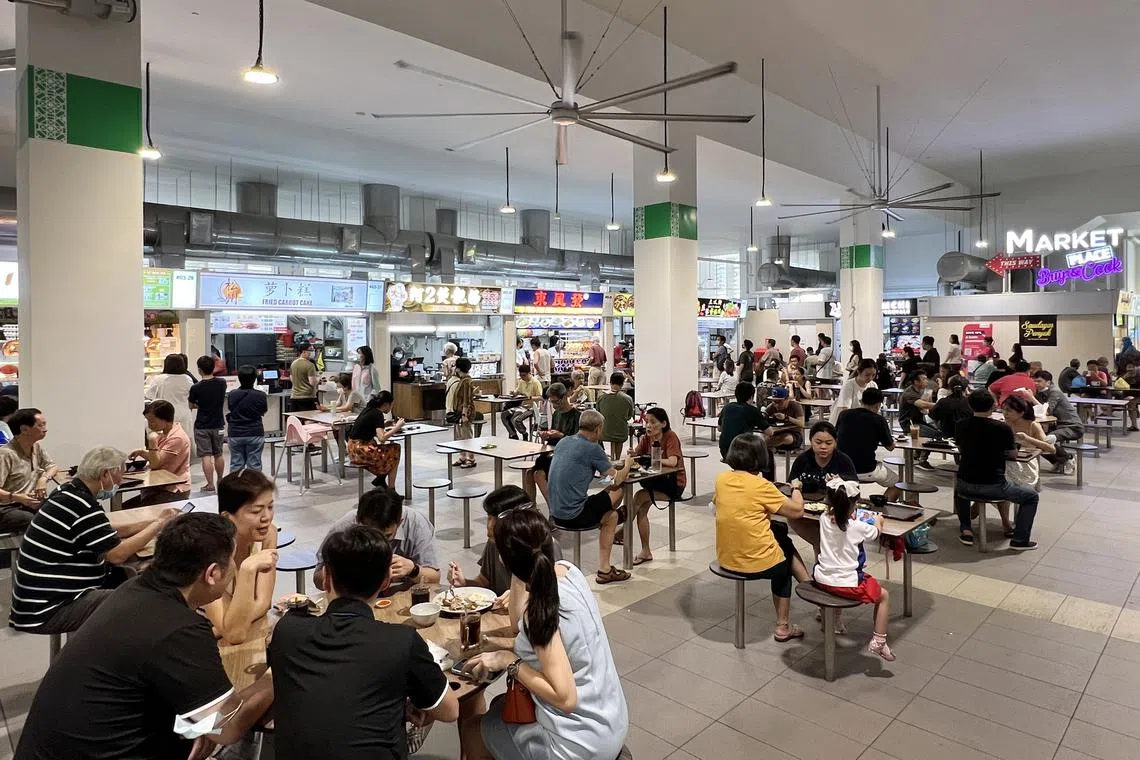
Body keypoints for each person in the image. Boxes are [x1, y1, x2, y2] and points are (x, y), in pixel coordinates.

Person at [16, 514, 275, 760]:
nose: (234, 567)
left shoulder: (132, 590)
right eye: (231, 561)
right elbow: (225, 729)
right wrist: (275, 678)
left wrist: (197, 727)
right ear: (212, 574)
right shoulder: (179, 629)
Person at [272, 526, 459, 760]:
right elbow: (451, 710)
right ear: (386, 581)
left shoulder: (287, 630)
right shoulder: (401, 641)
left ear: (327, 578)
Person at [459, 509, 629, 760]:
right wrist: (519, 573)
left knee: (473, 728)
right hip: (611, 718)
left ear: (504, 560)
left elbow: (565, 697)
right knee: (499, 707)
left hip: (579, 742)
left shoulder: (541, 613)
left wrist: (509, 661)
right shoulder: (569, 572)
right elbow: (517, 625)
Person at [9, 447, 178, 634]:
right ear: (106, 474)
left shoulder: (68, 492)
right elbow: (117, 555)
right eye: (120, 474)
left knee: (131, 576)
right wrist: (159, 523)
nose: (121, 481)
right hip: (50, 607)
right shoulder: (80, 503)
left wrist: (155, 522)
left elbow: (105, 530)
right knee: (141, 599)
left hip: (40, 596)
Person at [714, 433, 811, 642]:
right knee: (783, 566)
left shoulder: (721, 480)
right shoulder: (762, 486)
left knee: (779, 535)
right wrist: (796, 488)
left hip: (726, 558)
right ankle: (784, 625)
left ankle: (808, 583)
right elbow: (797, 511)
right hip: (755, 563)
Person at [546, 409, 632, 584]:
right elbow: (616, 480)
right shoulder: (593, 448)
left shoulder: (564, 441)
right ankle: (604, 569)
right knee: (618, 494)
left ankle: (605, 520)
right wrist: (628, 463)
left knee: (609, 512)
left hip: (555, 512)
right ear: (598, 428)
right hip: (574, 514)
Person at [812, 480, 895, 661]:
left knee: (837, 581)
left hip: (821, 578)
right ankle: (879, 641)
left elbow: (837, 521)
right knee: (884, 596)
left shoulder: (823, 520)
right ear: (854, 505)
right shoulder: (858, 526)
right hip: (847, 584)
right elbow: (875, 533)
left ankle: (833, 621)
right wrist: (879, 520)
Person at [953, 391, 1039, 550]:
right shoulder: (1002, 428)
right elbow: (1013, 454)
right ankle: (1020, 540)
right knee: (1031, 497)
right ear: (993, 406)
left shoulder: (960, 424)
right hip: (995, 487)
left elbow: (960, 447)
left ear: (969, 404)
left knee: (959, 486)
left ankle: (966, 528)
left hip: (966, 485)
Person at [315, 486, 440, 593]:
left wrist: (413, 570)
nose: (379, 543)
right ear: (358, 521)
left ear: (400, 522)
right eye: (371, 535)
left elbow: (435, 578)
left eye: (387, 536)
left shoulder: (416, 524)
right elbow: (318, 578)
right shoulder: (343, 528)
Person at [203, 469, 278, 644]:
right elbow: (234, 635)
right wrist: (248, 569)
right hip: (198, 637)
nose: (266, 517)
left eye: (270, 507)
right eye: (256, 511)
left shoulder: (268, 534)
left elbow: (264, 602)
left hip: (230, 634)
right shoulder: (210, 551)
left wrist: (228, 626)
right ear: (227, 517)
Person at [449, 485, 562, 599]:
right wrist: (465, 584)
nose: (490, 527)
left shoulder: (544, 545)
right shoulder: (494, 542)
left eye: (497, 520)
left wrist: (520, 600)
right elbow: (484, 582)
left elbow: (552, 597)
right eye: (488, 517)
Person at [623, 408, 685, 565]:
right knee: (641, 507)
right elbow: (636, 457)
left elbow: (673, 462)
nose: (648, 426)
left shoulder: (670, 437)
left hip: (674, 484)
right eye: (646, 422)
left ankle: (623, 530)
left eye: (652, 422)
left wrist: (652, 458)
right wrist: (632, 453)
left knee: (640, 497)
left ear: (663, 423)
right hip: (655, 482)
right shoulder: (646, 438)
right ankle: (646, 551)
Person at [996, 394, 1054, 538]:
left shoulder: (1033, 425)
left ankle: (979, 506)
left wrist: (1027, 438)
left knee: (1003, 479)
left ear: (1021, 412)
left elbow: (1051, 449)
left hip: (1026, 465)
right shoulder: (1003, 424)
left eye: (1009, 411)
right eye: (1004, 410)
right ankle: (1005, 523)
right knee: (1000, 476)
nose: (1005, 414)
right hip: (1007, 462)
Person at [836, 388, 900, 502]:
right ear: (878, 405)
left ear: (862, 401)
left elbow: (836, 437)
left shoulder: (844, 415)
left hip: (841, 468)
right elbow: (890, 447)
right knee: (898, 483)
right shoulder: (879, 420)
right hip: (866, 469)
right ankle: (882, 507)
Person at [0, 408, 58, 531]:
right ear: (24, 429)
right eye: (40, 425)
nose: (45, 429)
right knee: (38, 522)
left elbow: (53, 466)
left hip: (28, 504)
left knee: (61, 510)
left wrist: (43, 479)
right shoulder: (5, 454)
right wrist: (17, 497)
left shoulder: (36, 447)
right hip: (7, 507)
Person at [126, 401, 192, 506]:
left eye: (152, 421)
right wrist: (142, 452)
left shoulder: (177, 437)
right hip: (159, 486)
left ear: (165, 419)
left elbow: (155, 463)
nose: (149, 424)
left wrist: (152, 441)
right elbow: (159, 457)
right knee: (126, 507)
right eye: (148, 421)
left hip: (172, 490)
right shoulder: (165, 433)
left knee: (131, 511)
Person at [524, 383, 580, 506]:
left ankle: (554, 508)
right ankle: (532, 508)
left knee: (539, 474)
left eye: (556, 402)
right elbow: (553, 437)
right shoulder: (556, 414)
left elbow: (578, 442)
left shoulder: (576, 416)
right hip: (554, 451)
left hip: (567, 455)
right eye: (552, 402)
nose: (554, 405)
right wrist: (547, 436)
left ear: (565, 397)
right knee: (529, 473)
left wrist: (560, 435)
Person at [346, 391, 405, 489]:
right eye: (391, 405)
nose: (391, 408)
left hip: (352, 449)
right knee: (395, 449)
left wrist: (384, 425)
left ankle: (381, 478)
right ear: (386, 404)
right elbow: (382, 438)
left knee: (389, 451)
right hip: (360, 450)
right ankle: (391, 489)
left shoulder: (369, 410)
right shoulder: (377, 414)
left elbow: (369, 428)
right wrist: (397, 427)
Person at [189, 355, 228, 492]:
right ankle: (221, 479)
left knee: (206, 455)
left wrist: (199, 405)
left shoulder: (196, 388)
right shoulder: (222, 383)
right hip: (218, 423)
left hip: (202, 425)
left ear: (199, 370)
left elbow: (191, 405)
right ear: (213, 367)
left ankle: (210, 484)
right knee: (218, 453)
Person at [1034, 370, 1082, 475]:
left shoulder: (1055, 392)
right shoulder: (1040, 393)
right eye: (1035, 381)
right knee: (1036, 441)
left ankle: (1068, 458)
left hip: (1072, 426)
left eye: (1039, 381)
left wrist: (1031, 397)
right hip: (1057, 426)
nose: (1036, 384)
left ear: (1048, 382)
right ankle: (1057, 461)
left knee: (1046, 440)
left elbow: (1046, 411)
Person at [789, 421, 858, 489]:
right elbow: (790, 486)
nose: (823, 447)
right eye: (818, 442)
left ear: (835, 442)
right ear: (810, 441)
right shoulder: (802, 460)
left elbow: (855, 489)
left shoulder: (844, 461)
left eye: (828, 443)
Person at [145, 353, 196, 442]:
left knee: (165, 442)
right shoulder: (187, 379)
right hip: (184, 414)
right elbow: (191, 394)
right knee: (183, 442)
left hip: (164, 414)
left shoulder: (159, 379)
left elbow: (149, 395)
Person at [227, 364, 269, 471]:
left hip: (235, 433)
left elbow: (231, 408)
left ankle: (235, 486)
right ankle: (253, 487)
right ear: (255, 378)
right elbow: (263, 410)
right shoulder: (261, 395)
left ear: (239, 378)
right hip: (255, 432)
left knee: (236, 465)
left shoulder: (232, 394)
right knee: (254, 465)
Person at [717, 381, 768, 459]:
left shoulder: (727, 407)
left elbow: (719, 429)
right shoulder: (753, 410)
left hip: (725, 451)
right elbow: (770, 432)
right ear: (751, 396)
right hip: (743, 452)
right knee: (767, 452)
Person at [899, 371, 939, 467]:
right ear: (916, 382)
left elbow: (924, 408)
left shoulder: (920, 390)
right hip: (909, 423)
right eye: (923, 379)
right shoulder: (910, 393)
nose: (926, 381)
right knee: (934, 434)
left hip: (918, 420)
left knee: (936, 432)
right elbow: (923, 404)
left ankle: (916, 455)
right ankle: (922, 459)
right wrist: (941, 404)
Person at [447, 356, 478, 468]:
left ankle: (471, 458)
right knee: (461, 435)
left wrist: (464, 414)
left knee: (467, 435)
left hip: (465, 412)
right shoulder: (464, 380)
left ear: (459, 369)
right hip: (461, 411)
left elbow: (466, 399)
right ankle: (463, 456)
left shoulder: (466, 381)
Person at [595, 371, 634, 459]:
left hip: (604, 432)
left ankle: (609, 458)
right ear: (622, 383)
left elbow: (598, 414)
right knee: (618, 437)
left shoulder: (601, 397)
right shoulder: (627, 399)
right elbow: (629, 416)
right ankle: (617, 458)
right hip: (620, 432)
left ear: (610, 382)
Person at [503, 364, 544, 441]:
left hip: (531, 408)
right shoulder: (521, 381)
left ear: (529, 373)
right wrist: (513, 393)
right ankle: (513, 434)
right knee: (504, 415)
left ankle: (524, 433)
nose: (522, 377)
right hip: (522, 406)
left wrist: (530, 397)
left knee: (516, 420)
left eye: (524, 375)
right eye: (521, 375)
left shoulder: (535, 382)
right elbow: (518, 391)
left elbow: (540, 397)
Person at [830, 359, 877, 423]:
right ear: (859, 372)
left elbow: (876, 406)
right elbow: (845, 409)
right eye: (867, 375)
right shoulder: (849, 385)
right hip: (846, 421)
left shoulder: (873, 385)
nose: (870, 378)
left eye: (873, 375)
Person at [764, 386, 806, 451]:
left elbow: (802, 423)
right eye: (775, 402)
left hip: (794, 433)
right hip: (777, 431)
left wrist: (786, 417)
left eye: (780, 402)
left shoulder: (795, 406)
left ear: (787, 399)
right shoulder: (772, 406)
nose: (777, 405)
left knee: (787, 438)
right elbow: (763, 415)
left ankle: (764, 446)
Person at [289, 343, 320, 412]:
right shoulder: (310, 365)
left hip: (294, 396)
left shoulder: (293, 363)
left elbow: (292, 379)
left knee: (296, 420)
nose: (313, 352)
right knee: (309, 420)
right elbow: (312, 382)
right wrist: (318, 378)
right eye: (311, 350)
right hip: (307, 397)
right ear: (303, 352)